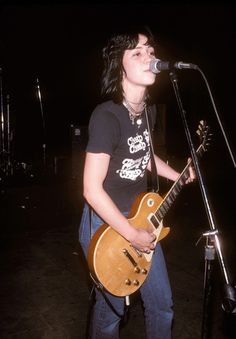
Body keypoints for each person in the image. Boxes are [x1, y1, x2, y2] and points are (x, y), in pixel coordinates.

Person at [79, 26, 195, 339]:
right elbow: (91, 189)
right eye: (138, 53)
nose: (149, 58)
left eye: (151, 52)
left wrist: (179, 174)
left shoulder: (147, 112)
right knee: (110, 318)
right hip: (106, 226)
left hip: (140, 222)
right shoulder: (107, 116)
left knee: (162, 306)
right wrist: (131, 234)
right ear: (120, 67)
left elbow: (144, 155)